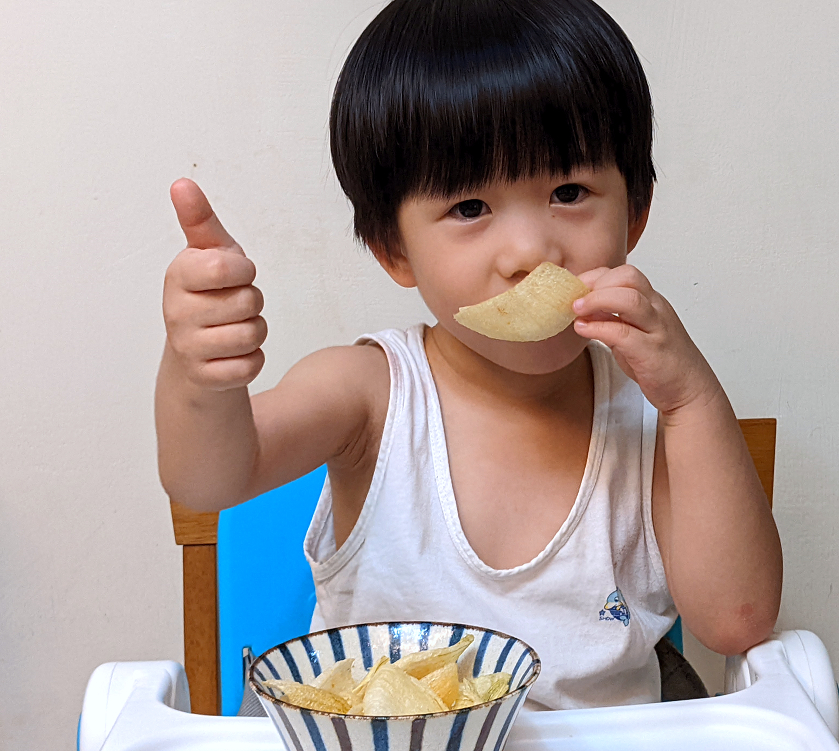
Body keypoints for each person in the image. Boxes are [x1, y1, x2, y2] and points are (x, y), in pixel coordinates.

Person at [156, 0, 782, 711]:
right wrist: (199, 374)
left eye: (569, 192)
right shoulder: (370, 393)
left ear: (633, 213)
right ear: (395, 248)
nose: (527, 252)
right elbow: (206, 479)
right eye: (470, 208)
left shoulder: (653, 417)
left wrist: (692, 401)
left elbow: (738, 621)